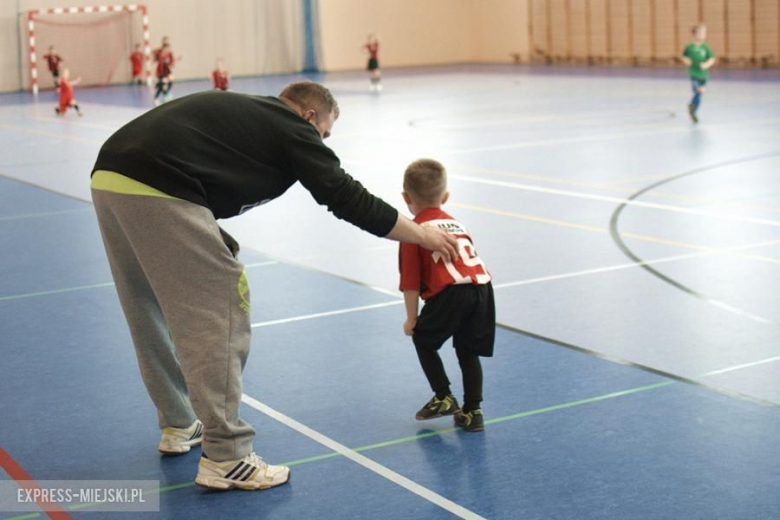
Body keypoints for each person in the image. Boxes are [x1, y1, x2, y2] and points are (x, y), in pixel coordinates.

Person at [90, 81, 459, 490]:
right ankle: (227, 456)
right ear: (309, 116)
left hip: (111, 176)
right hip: (160, 185)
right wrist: (422, 236)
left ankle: (179, 423)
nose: (321, 143)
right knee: (222, 301)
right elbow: (345, 195)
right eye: (325, 133)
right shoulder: (291, 126)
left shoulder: (254, 117)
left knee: (147, 306)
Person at [398, 159, 495, 432]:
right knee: (468, 350)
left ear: (406, 197)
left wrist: (411, 319)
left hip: (451, 293)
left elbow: (410, 282)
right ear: (446, 197)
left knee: (423, 340)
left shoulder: (412, 230)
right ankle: (473, 411)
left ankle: (443, 396)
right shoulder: (458, 224)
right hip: (483, 289)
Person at [681, 24, 716, 123]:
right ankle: (691, 107)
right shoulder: (689, 47)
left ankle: (693, 110)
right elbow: (683, 56)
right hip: (693, 73)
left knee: (699, 95)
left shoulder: (705, 48)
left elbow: (712, 58)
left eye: (704, 33)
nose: (703, 35)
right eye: (700, 33)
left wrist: (706, 64)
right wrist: (686, 60)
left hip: (703, 75)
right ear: (694, 34)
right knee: (698, 90)